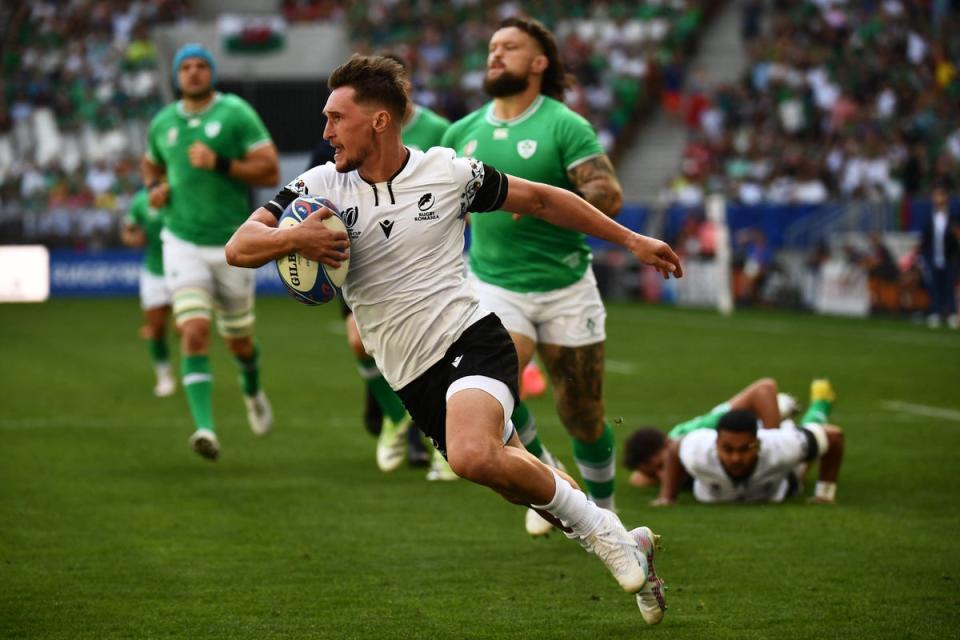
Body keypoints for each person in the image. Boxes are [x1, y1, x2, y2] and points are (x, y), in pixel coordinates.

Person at [225, 54, 681, 623]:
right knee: (517, 480)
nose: (325, 131)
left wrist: (632, 239)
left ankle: (607, 535)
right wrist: (297, 241)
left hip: (471, 337)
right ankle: (627, 538)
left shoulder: (449, 172)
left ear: (379, 121)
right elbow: (239, 248)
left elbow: (541, 199)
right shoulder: (320, 186)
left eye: (336, 118)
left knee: (470, 455)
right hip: (410, 375)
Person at [442, 17, 627, 534]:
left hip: (566, 286)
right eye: (492, 47)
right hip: (493, 285)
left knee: (584, 413)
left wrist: (545, 203)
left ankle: (605, 511)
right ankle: (548, 473)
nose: (495, 54)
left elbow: (608, 193)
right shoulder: (463, 133)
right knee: (498, 390)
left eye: (510, 47)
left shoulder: (565, 125)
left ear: (539, 63)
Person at [142, 43, 280, 460]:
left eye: (202, 66)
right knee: (194, 331)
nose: (194, 72)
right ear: (177, 75)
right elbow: (151, 164)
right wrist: (155, 188)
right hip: (180, 240)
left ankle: (252, 389)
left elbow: (270, 169)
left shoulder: (235, 113)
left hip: (231, 244)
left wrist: (219, 162)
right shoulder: (163, 121)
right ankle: (205, 428)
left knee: (239, 342)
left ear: (212, 72)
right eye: (186, 66)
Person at [334, 52, 456, 480]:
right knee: (356, 340)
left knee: (441, 351)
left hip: (424, 265)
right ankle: (394, 418)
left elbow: (458, 196)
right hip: (364, 257)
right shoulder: (348, 123)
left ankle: (443, 439)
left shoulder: (439, 129)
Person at [651, 383, 844, 506]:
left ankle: (820, 405)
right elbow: (673, 448)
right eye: (728, 449)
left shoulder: (778, 446)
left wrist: (824, 495)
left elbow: (834, 437)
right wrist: (667, 497)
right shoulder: (698, 449)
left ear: (757, 442)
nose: (736, 458)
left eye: (745, 449)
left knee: (808, 448)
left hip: (783, 481)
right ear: (716, 443)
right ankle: (783, 408)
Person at [624, 378, 834, 488]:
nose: (663, 475)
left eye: (662, 466)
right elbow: (637, 479)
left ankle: (817, 406)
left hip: (757, 436)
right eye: (655, 473)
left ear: (669, 442)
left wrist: (771, 442)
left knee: (801, 456)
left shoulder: (698, 431)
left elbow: (764, 388)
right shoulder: (681, 459)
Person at [120, 187, 176, 398]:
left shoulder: (183, 192)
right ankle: (164, 376)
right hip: (154, 270)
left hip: (183, 267)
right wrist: (131, 239)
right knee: (157, 327)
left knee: (185, 328)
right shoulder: (141, 200)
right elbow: (128, 229)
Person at [921, 182, 959, 328]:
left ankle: (952, 314)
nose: (937, 198)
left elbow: (956, 241)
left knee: (949, 287)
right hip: (933, 258)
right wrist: (925, 258)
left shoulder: (954, 217)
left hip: (950, 259)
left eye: (940, 195)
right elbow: (925, 241)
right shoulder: (929, 218)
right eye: (935, 195)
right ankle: (935, 313)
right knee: (934, 287)